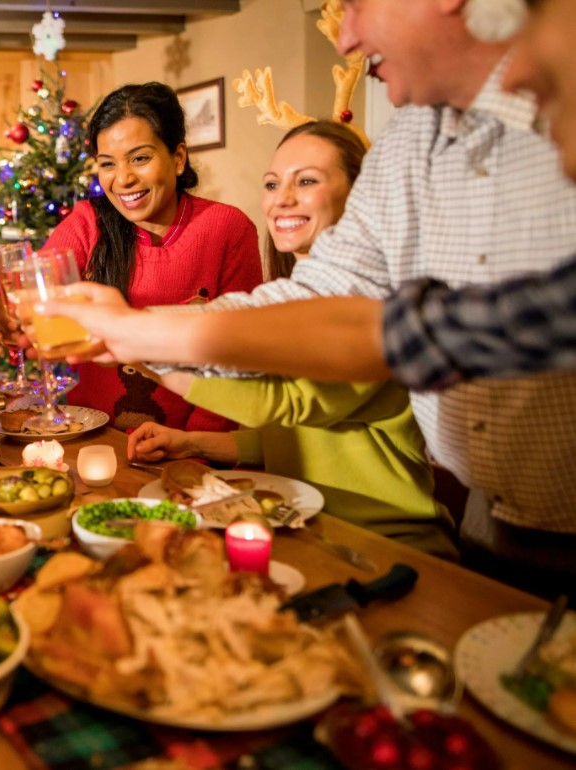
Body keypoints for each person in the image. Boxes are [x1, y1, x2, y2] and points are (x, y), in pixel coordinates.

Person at [39, 0, 576, 597]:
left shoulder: (231, 230)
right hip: (472, 522)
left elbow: (324, 373)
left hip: (401, 534)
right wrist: (140, 344)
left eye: (356, 4)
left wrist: (133, 334)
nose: (343, 34)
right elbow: (330, 307)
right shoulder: (409, 143)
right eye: (272, 183)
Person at [128, 121, 454, 556]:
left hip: (393, 545)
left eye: (306, 181)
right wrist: (188, 442)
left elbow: (287, 401)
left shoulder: (369, 306)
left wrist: (140, 347)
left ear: (360, 197)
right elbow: (293, 436)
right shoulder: (287, 301)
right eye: (271, 183)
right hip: (307, 531)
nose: (281, 199)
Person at [40, 82, 262, 431]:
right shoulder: (87, 222)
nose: (123, 179)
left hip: (194, 451)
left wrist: (192, 448)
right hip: (96, 440)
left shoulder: (227, 228)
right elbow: (39, 287)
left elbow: (240, 357)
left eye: (140, 158)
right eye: (107, 164)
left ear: (177, 158)